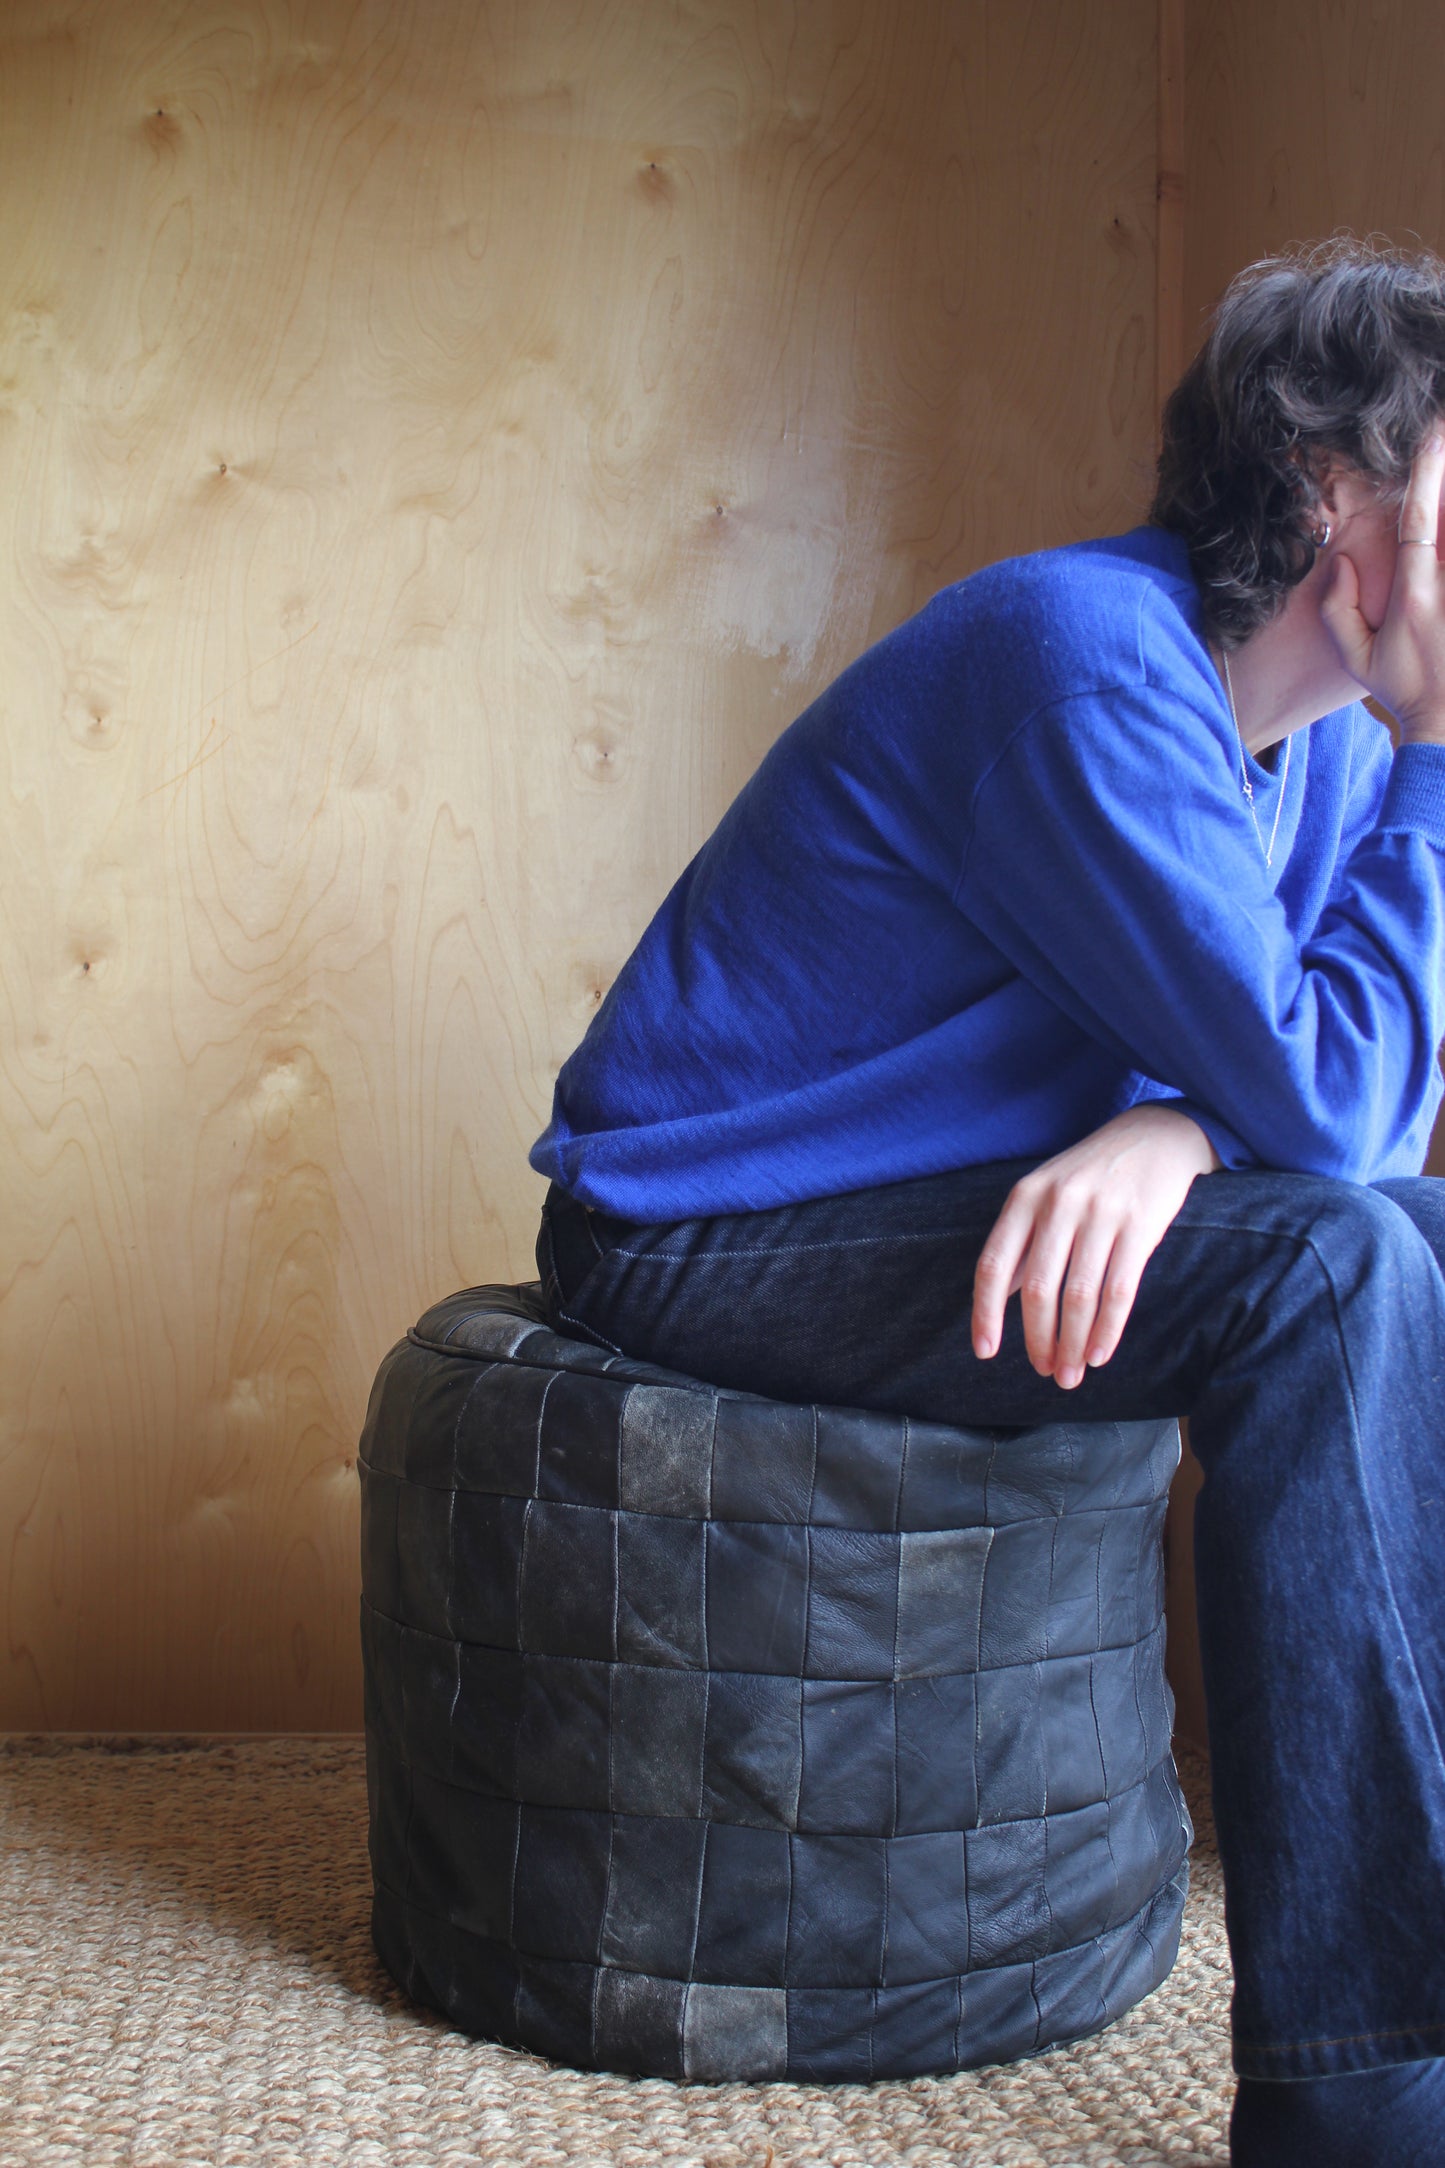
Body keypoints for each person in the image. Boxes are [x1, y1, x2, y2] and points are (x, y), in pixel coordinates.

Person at [529, 237, 1445, 2167]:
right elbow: (1338, 1108)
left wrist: (1182, 1124)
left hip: (940, 1196)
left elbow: (1317, 1093)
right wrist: (1442, 769)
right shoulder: (1086, 661)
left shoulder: (1332, 752)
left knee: (1406, 1250)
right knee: (1338, 1273)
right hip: (699, 1225)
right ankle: (1362, 2097)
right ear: (1331, 492)